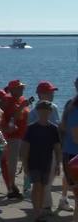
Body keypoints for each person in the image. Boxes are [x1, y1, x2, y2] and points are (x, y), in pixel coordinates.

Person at [23, 81, 61, 212]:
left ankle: (43, 205)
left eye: (52, 92)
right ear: (40, 94)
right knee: (40, 183)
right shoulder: (33, 113)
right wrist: (25, 160)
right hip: (37, 153)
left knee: (47, 181)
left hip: (50, 150)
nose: (52, 94)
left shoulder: (54, 107)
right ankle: (42, 207)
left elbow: (57, 129)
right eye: (49, 92)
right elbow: (28, 137)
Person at [1, 79, 30, 199]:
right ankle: (11, 188)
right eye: (19, 87)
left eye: (22, 87)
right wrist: (22, 107)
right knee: (12, 164)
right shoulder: (8, 101)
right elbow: (14, 117)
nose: (22, 89)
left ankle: (24, 187)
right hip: (13, 137)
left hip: (23, 136)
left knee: (26, 162)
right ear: (12, 89)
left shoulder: (21, 99)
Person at [60, 78, 78, 217]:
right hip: (74, 157)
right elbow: (76, 136)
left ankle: (64, 198)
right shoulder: (75, 109)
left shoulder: (70, 104)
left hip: (69, 153)